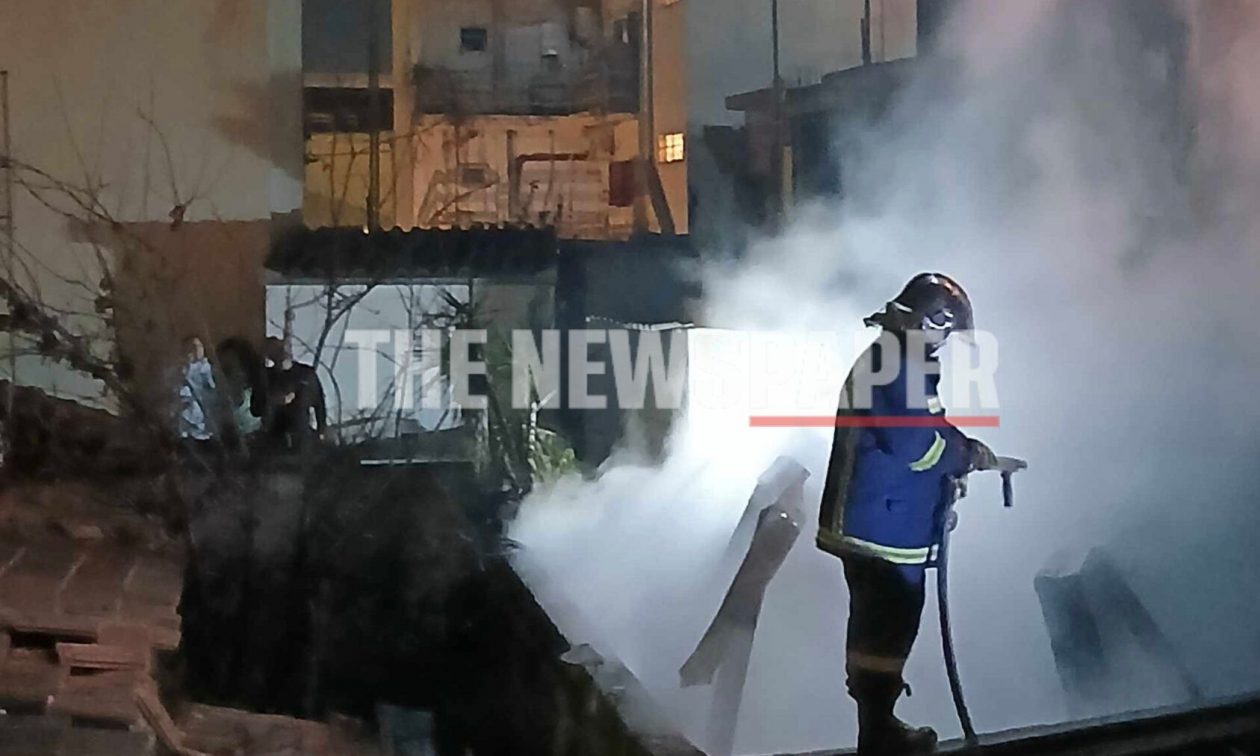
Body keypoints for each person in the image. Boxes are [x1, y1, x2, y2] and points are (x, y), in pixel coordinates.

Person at [817, 273, 1004, 755]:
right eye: (944, 329)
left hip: (888, 518)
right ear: (926, 321)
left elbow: (929, 426)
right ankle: (878, 733)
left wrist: (963, 451)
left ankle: (878, 727)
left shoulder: (902, 361)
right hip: (879, 525)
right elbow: (916, 445)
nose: (945, 341)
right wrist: (962, 457)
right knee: (885, 625)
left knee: (887, 626)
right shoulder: (894, 365)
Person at [261, 337, 329, 451]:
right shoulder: (267, 378)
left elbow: (319, 403)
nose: (281, 352)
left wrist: (321, 430)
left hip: (302, 437)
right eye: (274, 350)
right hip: (275, 439)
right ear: (269, 356)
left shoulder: (305, 374)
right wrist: (274, 401)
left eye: (281, 348)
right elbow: (257, 405)